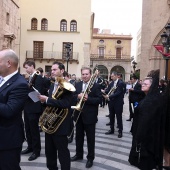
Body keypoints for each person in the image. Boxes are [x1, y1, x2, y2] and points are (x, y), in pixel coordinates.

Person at [38, 62, 73, 170]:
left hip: (61, 125)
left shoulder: (67, 86)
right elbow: (52, 103)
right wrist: (44, 101)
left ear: (62, 71)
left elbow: (66, 104)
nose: (51, 71)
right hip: (50, 124)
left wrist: (47, 99)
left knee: (63, 152)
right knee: (49, 151)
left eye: (54, 69)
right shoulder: (53, 84)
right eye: (51, 70)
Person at [129, 70, 166, 170]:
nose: (142, 85)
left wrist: (138, 139)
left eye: (146, 84)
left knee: (145, 164)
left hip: (146, 140)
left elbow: (145, 122)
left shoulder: (150, 101)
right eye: (143, 83)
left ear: (152, 86)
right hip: (151, 138)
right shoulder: (152, 98)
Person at [0, 49, 29, 170]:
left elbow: (9, 110)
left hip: (7, 141)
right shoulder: (2, 79)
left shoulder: (20, 84)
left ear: (8, 63)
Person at [71, 67, 102, 168]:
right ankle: (79, 154)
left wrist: (88, 98)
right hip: (78, 115)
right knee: (78, 137)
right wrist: (77, 97)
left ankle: (90, 158)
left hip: (90, 116)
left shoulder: (96, 86)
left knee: (90, 139)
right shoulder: (77, 84)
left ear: (90, 74)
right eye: (83, 74)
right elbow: (73, 96)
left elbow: (99, 100)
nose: (84, 76)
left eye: (86, 74)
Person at [21, 60, 44, 161]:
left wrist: (27, 91)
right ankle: (30, 147)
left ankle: (36, 151)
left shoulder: (38, 77)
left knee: (34, 130)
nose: (25, 70)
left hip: (34, 107)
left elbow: (39, 92)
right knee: (28, 129)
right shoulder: (30, 77)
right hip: (27, 107)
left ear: (32, 66)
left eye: (26, 67)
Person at [103, 71, 125, 138]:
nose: (111, 78)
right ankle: (111, 129)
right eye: (111, 76)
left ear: (116, 76)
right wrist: (103, 91)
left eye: (112, 76)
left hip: (118, 103)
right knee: (111, 116)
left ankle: (120, 131)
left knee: (119, 117)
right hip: (111, 103)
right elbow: (108, 90)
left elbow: (118, 93)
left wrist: (109, 96)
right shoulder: (111, 83)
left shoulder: (120, 83)